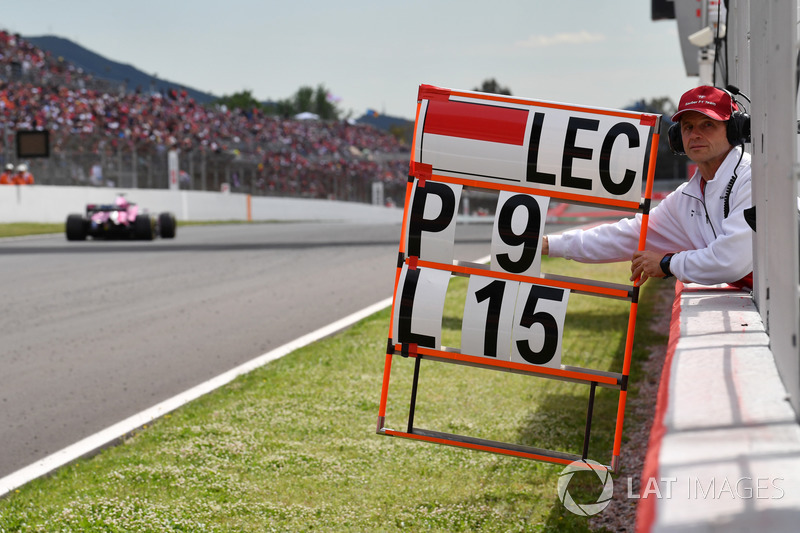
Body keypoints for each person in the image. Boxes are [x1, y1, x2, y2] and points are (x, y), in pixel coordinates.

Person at [543, 85, 753, 289]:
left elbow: (730, 261)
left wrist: (667, 264)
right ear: (678, 137)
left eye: (708, 124)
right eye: (688, 126)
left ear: (734, 130)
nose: (695, 134)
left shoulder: (752, 179)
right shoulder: (686, 197)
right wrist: (549, 244)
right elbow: (625, 236)